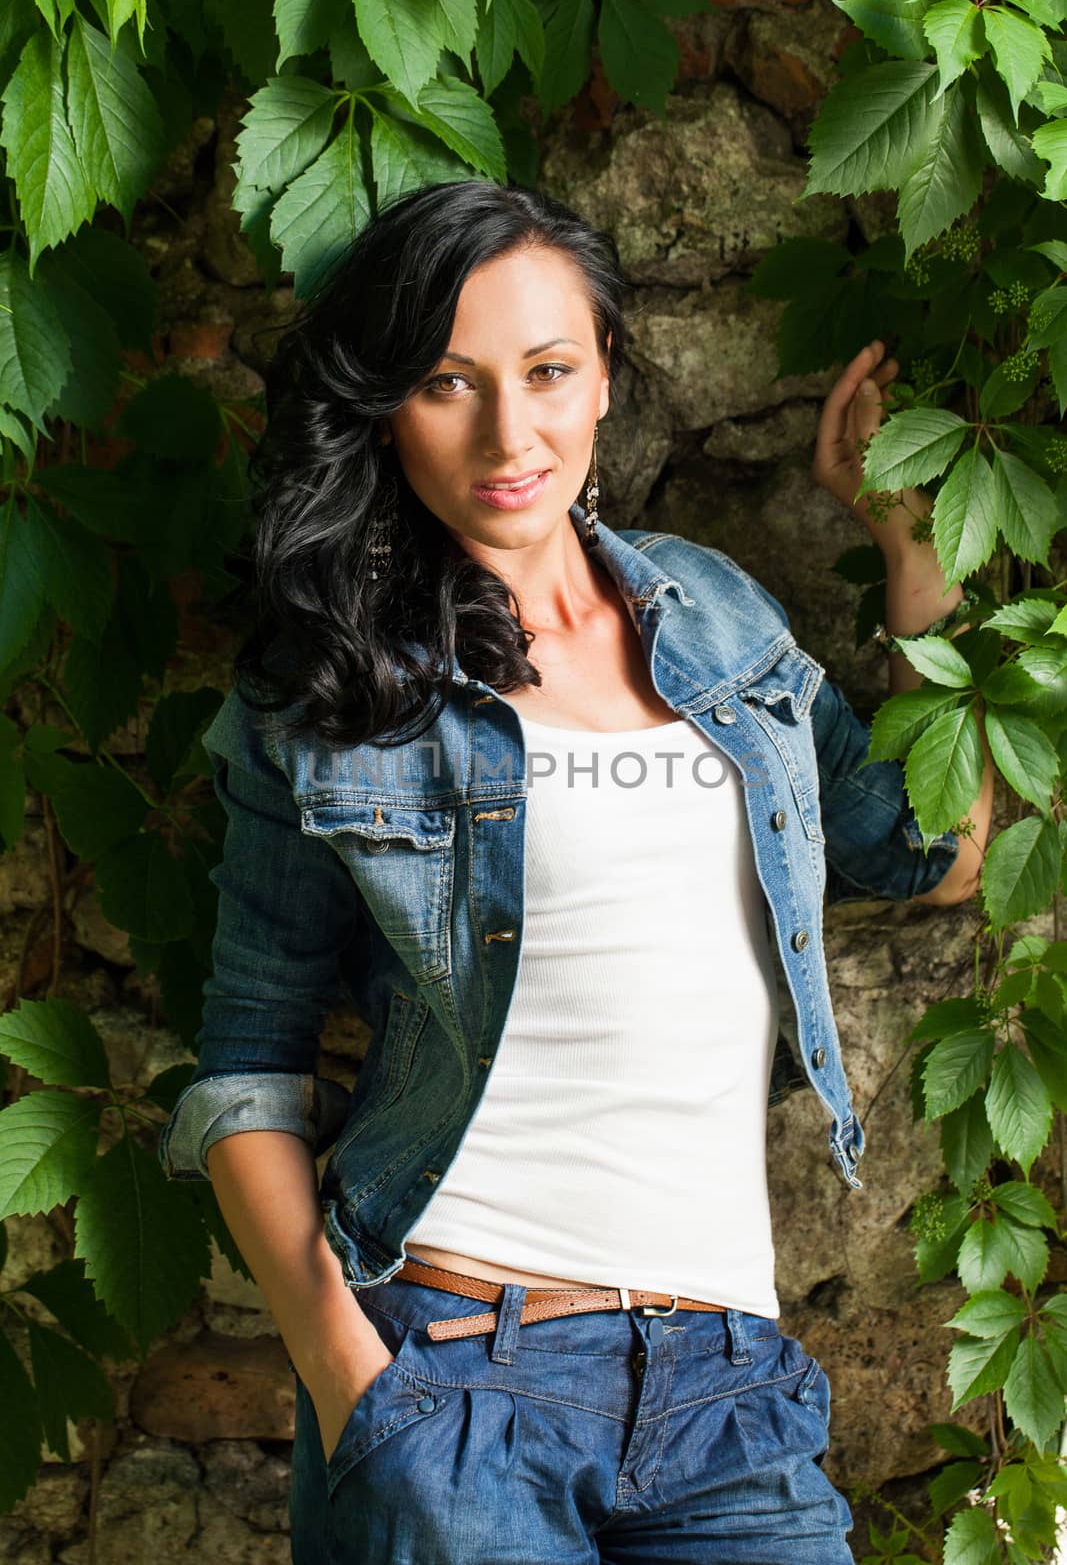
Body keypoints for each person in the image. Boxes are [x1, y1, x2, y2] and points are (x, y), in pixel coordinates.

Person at [158, 179, 993, 1564]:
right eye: (446, 382)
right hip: (455, 1379)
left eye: (548, 372)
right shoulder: (329, 687)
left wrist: (910, 546)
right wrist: (358, 1394)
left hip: (728, 1389)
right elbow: (249, 1063)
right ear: (382, 408)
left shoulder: (718, 613)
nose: (509, 434)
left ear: (605, 374)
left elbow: (934, 858)